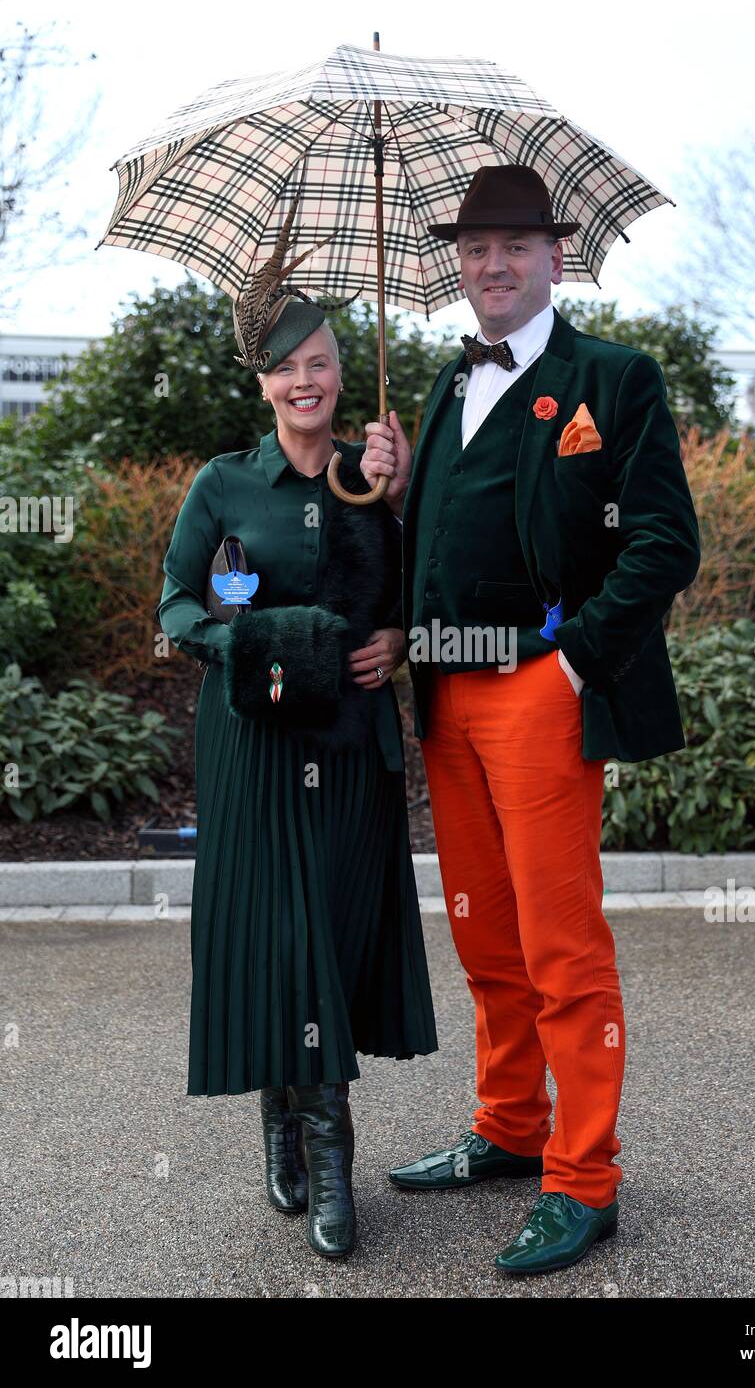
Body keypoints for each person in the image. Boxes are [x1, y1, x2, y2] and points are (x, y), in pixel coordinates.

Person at [362, 164, 701, 1275]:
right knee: (484, 935)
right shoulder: (446, 383)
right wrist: (397, 489)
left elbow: (662, 543)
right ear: (455, 266)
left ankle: (584, 1177)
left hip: (541, 696)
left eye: (513, 245)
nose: (492, 264)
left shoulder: (613, 377)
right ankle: (510, 1127)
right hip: (447, 695)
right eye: (473, 249)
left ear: (554, 255)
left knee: (561, 946)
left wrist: (572, 667)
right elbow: (459, 529)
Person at [155, 251, 438, 1261]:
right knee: (284, 939)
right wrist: (265, 641)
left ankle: (295, 1121)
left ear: (336, 366)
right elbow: (179, 607)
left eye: (317, 358)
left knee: (323, 932)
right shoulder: (225, 484)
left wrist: (398, 630)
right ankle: (321, 1149)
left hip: (353, 749)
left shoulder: (373, 480)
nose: (305, 380)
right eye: (285, 368)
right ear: (262, 382)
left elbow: (410, 603)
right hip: (255, 746)